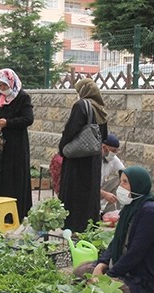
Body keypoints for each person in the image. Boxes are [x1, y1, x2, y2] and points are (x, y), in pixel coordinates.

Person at [74, 166, 154, 293]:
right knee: (81, 270)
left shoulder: (150, 212)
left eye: (125, 182)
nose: (120, 186)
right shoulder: (130, 208)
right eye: (121, 182)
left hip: (145, 278)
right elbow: (116, 241)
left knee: (108, 291)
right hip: (124, 268)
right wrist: (102, 265)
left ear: (138, 184)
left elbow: (136, 252)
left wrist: (108, 276)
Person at [58, 78, 107, 233]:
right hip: (93, 159)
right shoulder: (99, 107)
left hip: (77, 159)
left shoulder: (81, 106)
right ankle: (89, 226)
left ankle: (74, 226)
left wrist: (62, 148)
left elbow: (71, 130)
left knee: (75, 192)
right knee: (89, 192)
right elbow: (103, 135)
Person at [0, 68, 34, 219]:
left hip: (16, 145)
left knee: (14, 178)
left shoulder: (23, 97)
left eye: (4, 85)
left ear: (11, 82)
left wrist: (8, 122)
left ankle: (15, 214)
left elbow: (28, 119)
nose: (2, 89)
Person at [100, 133, 124, 215]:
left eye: (116, 151)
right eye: (113, 151)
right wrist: (105, 194)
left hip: (101, 188)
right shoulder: (93, 159)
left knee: (121, 180)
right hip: (89, 191)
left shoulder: (113, 158)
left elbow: (124, 171)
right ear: (104, 147)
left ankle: (109, 213)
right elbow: (87, 186)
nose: (114, 153)